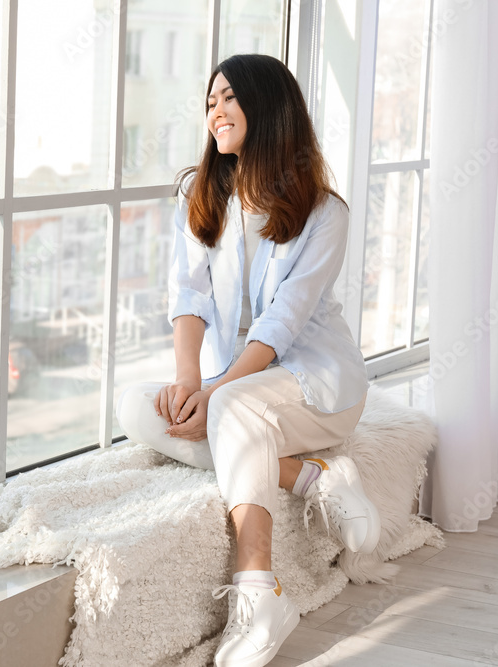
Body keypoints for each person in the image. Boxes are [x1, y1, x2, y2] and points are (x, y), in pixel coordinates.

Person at [115, 53, 379, 667]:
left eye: (228, 98)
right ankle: (314, 478)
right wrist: (189, 382)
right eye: (210, 102)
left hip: (316, 384)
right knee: (136, 406)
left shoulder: (323, 213)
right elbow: (188, 295)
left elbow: (283, 322)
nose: (215, 112)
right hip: (235, 384)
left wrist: (218, 392)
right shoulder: (200, 192)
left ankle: (260, 595)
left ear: (267, 107)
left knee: (229, 405)